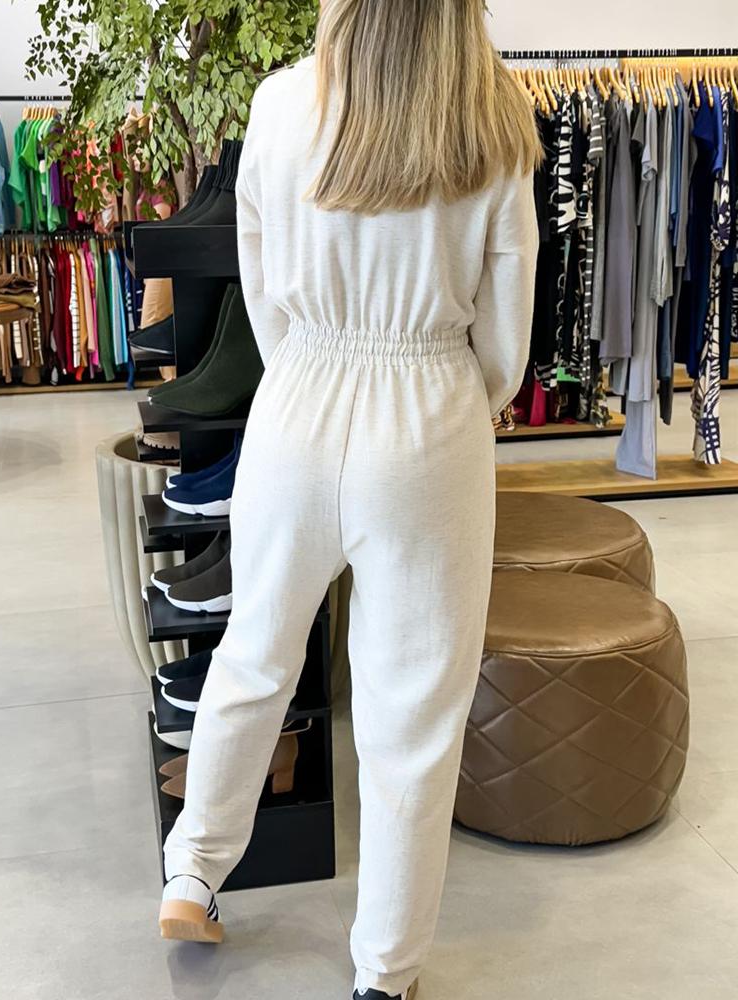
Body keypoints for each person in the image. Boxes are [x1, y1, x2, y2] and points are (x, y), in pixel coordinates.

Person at [158, 1, 541, 997]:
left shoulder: (281, 103)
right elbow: (507, 328)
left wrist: (307, 370)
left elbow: (258, 277)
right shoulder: (491, 114)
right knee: (411, 709)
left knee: (254, 648)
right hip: (429, 411)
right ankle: (384, 970)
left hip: (299, 398)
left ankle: (193, 871)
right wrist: (461, 398)